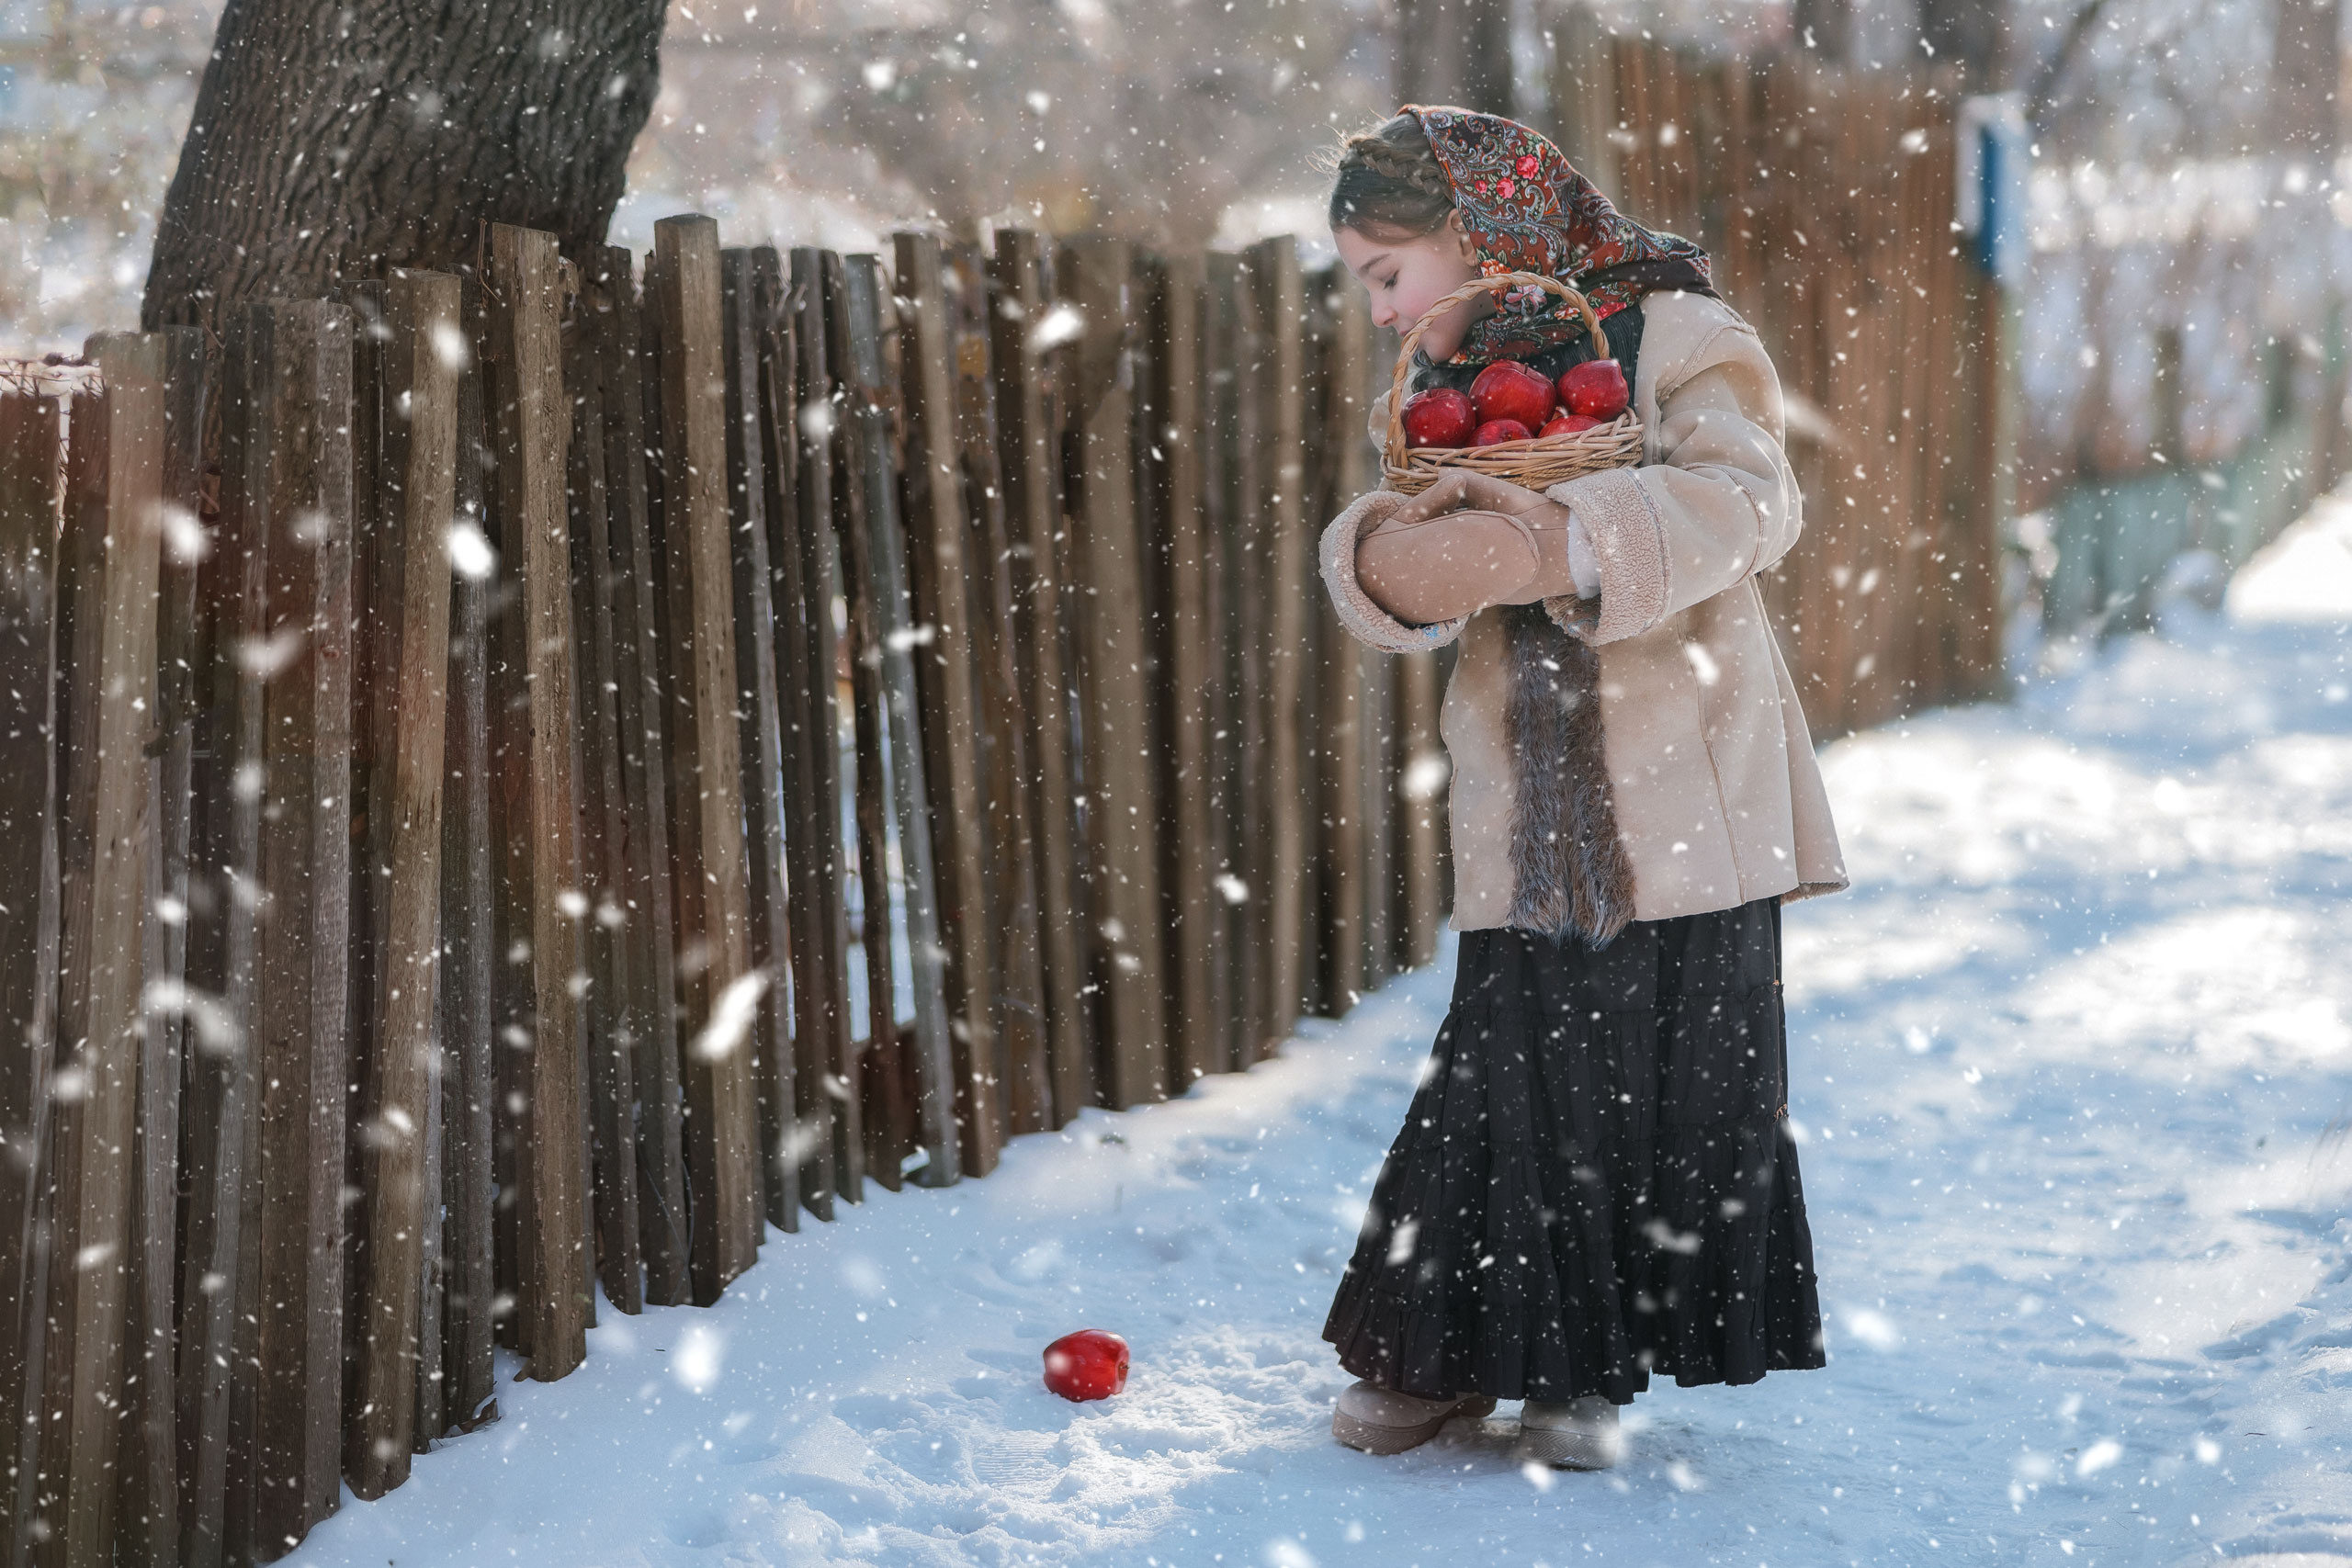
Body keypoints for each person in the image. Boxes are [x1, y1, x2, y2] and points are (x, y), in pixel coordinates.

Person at [1314, 106, 1850, 1471]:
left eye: (1388, 272)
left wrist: (1562, 539)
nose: (1379, 311)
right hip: (1529, 802)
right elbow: (1411, 540)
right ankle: (1439, 1357)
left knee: (1645, 1073)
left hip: (1689, 788)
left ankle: (1579, 1374)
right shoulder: (1449, 391)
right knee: (1515, 1064)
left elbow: (1749, 501)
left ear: (1481, 233)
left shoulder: (1669, 330)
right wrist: (1381, 560)